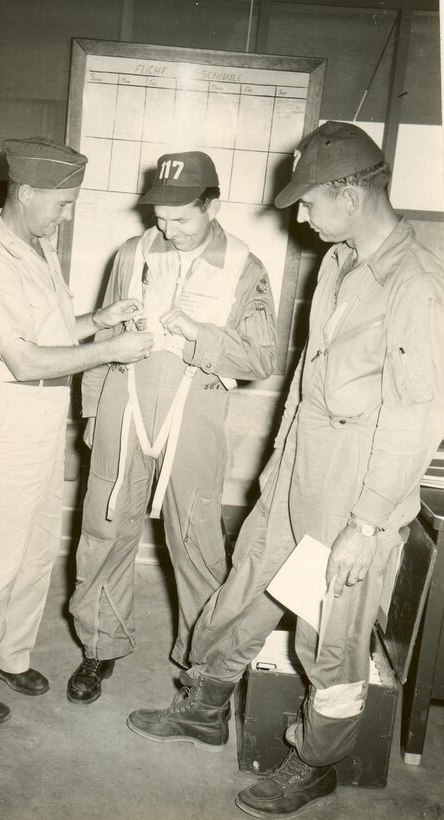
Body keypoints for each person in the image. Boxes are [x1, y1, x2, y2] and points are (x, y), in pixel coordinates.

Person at [126, 122, 444, 817]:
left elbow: (415, 416)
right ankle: (205, 703)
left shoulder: (417, 285)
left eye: (309, 202)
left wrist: (366, 523)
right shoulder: (341, 260)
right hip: (302, 466)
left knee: (329, 633)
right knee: (248, 584)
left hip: (358, 485)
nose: (300, 216)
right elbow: (306, 379)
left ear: (350, 194)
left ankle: (318, 760)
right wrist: (276, 472)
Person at [0, 137, 154, 727]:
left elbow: (48, 337)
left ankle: (8, 655)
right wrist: (110, 348)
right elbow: (25, 361)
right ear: (26, 194)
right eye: (61, 202)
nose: (67, 213)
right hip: (6, 414)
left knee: (31, 553)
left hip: (39, 417)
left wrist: (95, 322)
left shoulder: (34, 247)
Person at [66, 150, 277, 705]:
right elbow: (102, 340)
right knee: (106, 528)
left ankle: (202, 667)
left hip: (197, 414)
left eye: (182, 218)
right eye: (161, 217)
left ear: (212, 206)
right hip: (123, 407)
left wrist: (202, 335)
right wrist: (92, 411)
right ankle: (98, 646)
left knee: (196, 542)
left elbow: (261, 359)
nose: (168, 229)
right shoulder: (132, 253)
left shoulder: (244, 265)